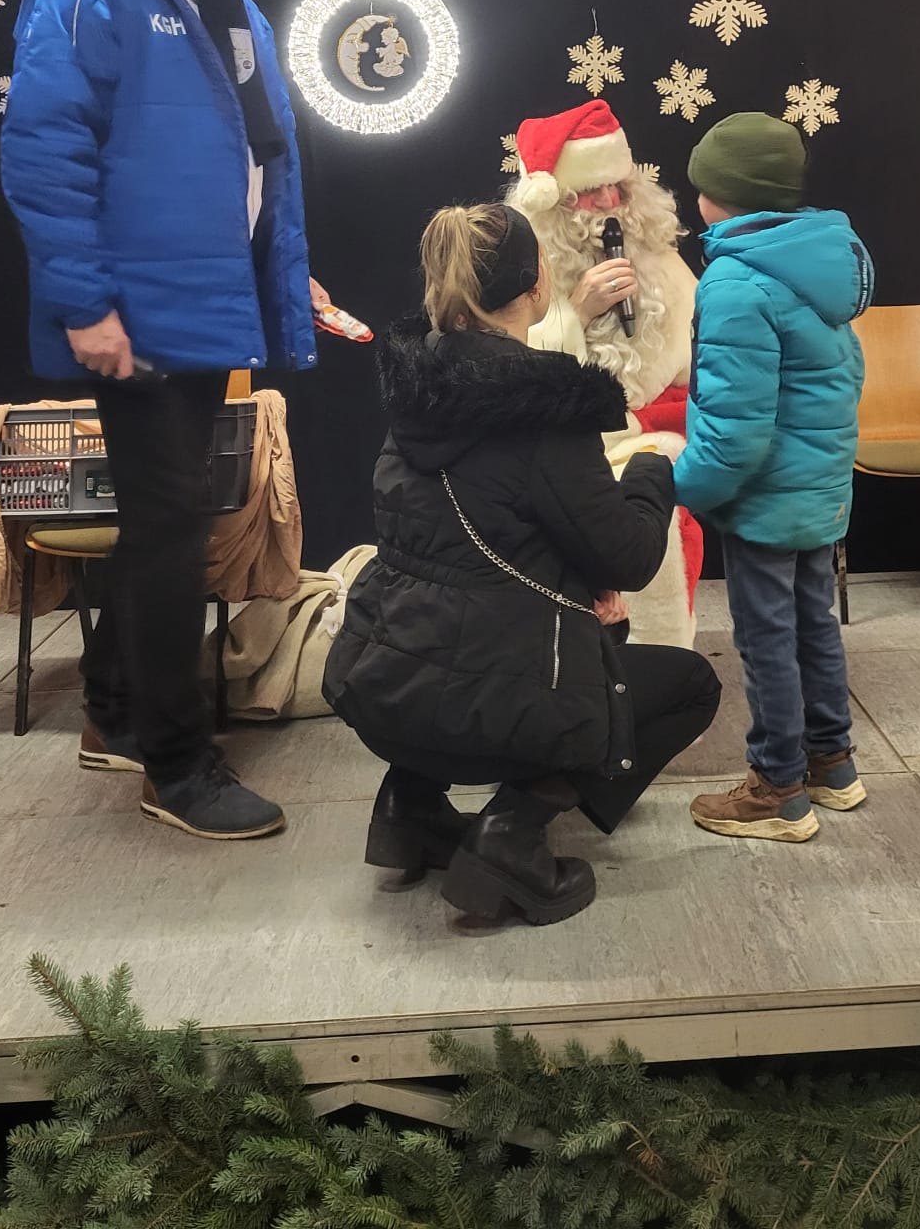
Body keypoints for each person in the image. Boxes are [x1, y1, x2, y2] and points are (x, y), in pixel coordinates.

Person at [1, 0, 321, 842]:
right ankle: (177, 768)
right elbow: (44, 146)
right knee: (172, 527)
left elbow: (256, 153)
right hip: (137, 311)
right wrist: (85, 304)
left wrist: (283, 274)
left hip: (204, 299)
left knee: (162, 523)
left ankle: (116, 710)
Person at [324, 202, 721, 927]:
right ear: (538, 283)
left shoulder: (414, 389)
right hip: (488, 702)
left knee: (458, 613)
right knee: (691, 685)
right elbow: (631, 557)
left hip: (383, 687)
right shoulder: (547, 408)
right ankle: (513, 832)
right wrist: (651, 470)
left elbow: (486, 529)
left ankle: (410, 804)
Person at [673, 113, 874, 844]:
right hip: (818, 489)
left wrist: (677, 490)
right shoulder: (819, 262)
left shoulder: (736, 281)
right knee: (814, 626)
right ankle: (833, 765)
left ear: (718, 194)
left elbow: (735, 431)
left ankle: (778, 790)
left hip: (765, 500)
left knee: (767, 642)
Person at [507, 99, 702, 647]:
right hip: (557, 442)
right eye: (593, 192)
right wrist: (577, 313)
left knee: (652, 503)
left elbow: (696, 362)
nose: (611, 203)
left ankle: (660, 656)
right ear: (554, 202)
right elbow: (512, 368)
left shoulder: (659, 257)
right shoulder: (523, 269)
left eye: (619, 187)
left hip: (650, 436)